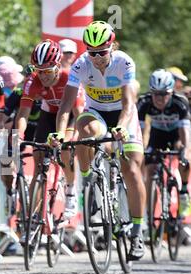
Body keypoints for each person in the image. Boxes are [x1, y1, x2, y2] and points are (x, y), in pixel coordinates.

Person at [51, 21, 146, 261]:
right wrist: (61, 133)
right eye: (92, 52)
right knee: (86, 132)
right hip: (96, 112)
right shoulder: (81, 64)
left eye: (102, 52)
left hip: (123, 114)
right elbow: (65, 105)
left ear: (111, 47)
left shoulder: (124, 62)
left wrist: (122, 128)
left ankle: (137, 233)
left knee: (132, 170)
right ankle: (90, 181)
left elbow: (127, 104)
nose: (97, 58)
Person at [15, 39, 82, 220]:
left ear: (58, 65)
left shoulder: (69, 78)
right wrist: (18, 136)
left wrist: (73, 136)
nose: (43, 76)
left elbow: (78, 114)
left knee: (67, 148)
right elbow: (23, 114)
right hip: (48, 115)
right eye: (39, 70)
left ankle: (70, 189)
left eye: (47, 71)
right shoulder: (33, 81)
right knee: (38, 162)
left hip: (71, 116)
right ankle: (31, 217)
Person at [138, 69, 191, 217]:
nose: (159, 98)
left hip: (177, 134)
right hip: (158, 134)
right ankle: (149, 215)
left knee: (185, 156)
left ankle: (184, 192)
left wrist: (185, 151)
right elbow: (139, 132)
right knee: (150, 170)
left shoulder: (180, 102)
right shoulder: (144, 102)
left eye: (164, 94)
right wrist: (139, 150)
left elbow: (185, 131)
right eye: (156, 93)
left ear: (171, 92)